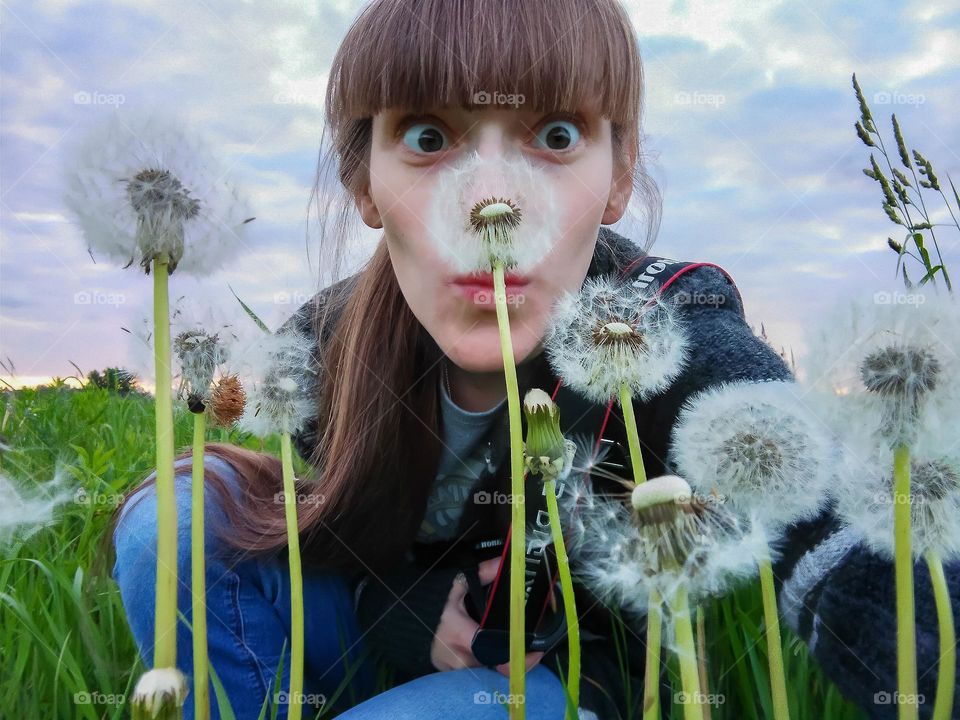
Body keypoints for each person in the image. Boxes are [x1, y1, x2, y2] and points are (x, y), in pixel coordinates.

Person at [110, 1, 959, 718]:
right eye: (428, 134)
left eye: (555, 135)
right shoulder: (328, 339)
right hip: (383, 636)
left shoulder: (663, 327)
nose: (491, 203)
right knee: (170, 522)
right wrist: (402, 617)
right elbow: (328, 537)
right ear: (363, 183)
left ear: (619, 172)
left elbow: (830, 508)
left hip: (555, 680)